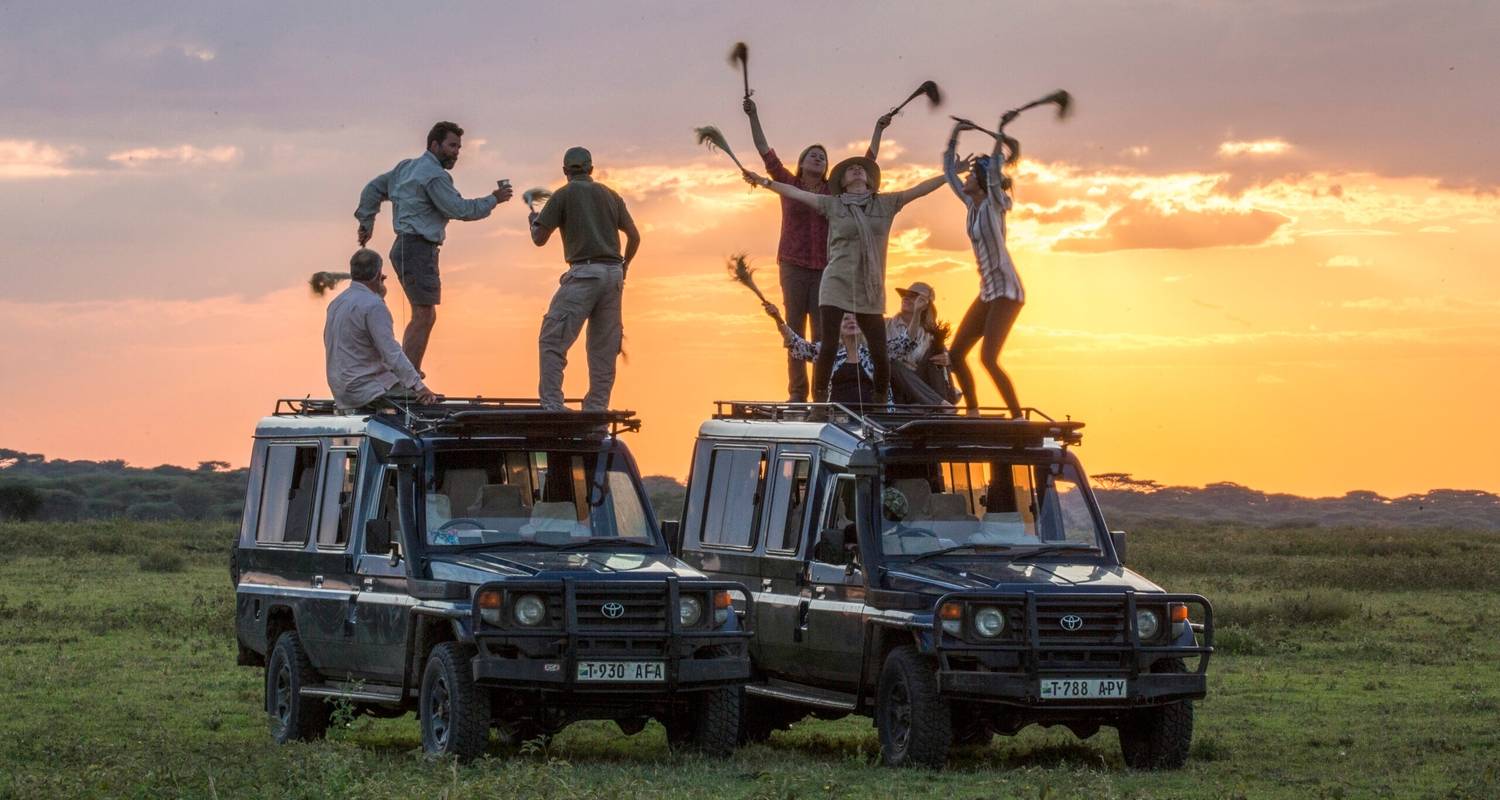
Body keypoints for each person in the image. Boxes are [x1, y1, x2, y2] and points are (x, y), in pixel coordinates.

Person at [744, 158, 946, 406]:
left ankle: (881, 401)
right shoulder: (833, 204)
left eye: (861, 168)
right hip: (835, 280)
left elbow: (919, 189)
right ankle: (819, 403)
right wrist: (764, 182)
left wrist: (950, 175)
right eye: (850, 169)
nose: (857, 169)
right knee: (828, 344)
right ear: (842, 182)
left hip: (868, 286)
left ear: (870, 180)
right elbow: (795, 192)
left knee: (880, 351)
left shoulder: (886, 203)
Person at [742, 100, 893, 402]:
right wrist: (753, 113)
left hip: (826, 269)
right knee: (794, 328)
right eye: (813, 155)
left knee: (824, 335)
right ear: (801, 162)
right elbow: (764, 151)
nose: (818, 158)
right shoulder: (789, 183)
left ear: (827, 170)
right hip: (794, 265)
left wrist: (878, 129)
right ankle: (798, 393)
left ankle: (823, 394)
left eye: (823, 158)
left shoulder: (832, 194)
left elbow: (866, 161)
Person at [354, 121, 514, 371]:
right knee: (424, 314)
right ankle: (408, 380)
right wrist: (494, 199)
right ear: (434, 144)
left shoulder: (405, 168)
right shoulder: (434, 176)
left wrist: (366, 220)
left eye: (459, 147)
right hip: (418, 247)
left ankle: (407, 376)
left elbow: (373, 189)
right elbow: (459, 209)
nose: (456, 152)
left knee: (424, 313)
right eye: (452, 146)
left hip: (406, 247)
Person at [529, 147, 641, 412]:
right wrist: (624, 266)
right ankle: (596, 411)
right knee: (603, 351)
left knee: (552, 341)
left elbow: (539, 239)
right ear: (591, 169)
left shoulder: (563, 194)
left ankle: (553, 405)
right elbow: (634, 237)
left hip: (584, 273)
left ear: (565, 171)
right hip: (613, 275)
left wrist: (534, 221)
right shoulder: (611, 195)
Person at [943, 117, 1026, 417]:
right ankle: (973, 411)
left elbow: (993, 175)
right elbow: (949, 173)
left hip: (1007, 292)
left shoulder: (993, 204)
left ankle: (1016, 415)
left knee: (988, 358)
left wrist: (1000, 134)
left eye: (969, 178)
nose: (964, 181)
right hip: (988, 292)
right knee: (955, 355)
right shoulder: (971, 207)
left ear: (979, 181)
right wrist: (954, 135)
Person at [323, 249, 439, 410]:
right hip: (367, 389)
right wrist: (419, 386)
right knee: (431, 405)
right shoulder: (373, 305)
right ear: (379, 274)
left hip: (342, 390)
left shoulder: (337, 303)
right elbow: (391, 351)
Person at [886, 282, 957, 405]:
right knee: (891, 362)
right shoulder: (886, 325)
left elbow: (954, 363)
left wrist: (948, 360)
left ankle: (942, 402)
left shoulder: (930, 334)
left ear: (925, 306)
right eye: (904, 295)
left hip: (925, 380)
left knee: (936, 356)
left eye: (914, 296)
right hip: (896, 381)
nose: (906, 298)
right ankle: (939, 404)